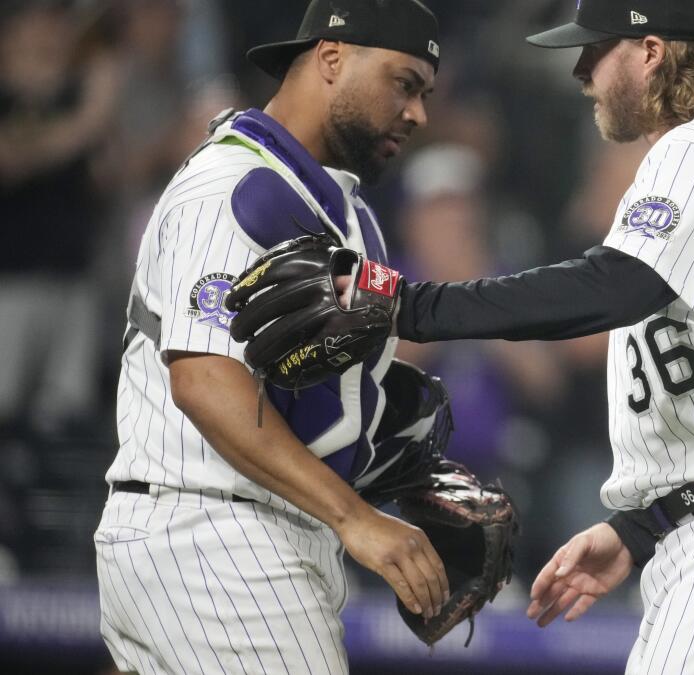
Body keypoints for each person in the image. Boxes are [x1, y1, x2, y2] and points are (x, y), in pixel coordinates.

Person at [236, 0, 694, 671]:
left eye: (597, 49)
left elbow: (613, 287)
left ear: (651, 51)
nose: (581, 70)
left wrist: (409, 306)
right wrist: (639, 525)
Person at [93, 1, 450, 672]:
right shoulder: (232, 182)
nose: (418, 114)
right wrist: (355, 517)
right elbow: (203, 380)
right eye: (404, 83)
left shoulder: (340, 209)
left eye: (425, 94)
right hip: (214, 536)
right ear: (332, 57)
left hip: (237, 536)